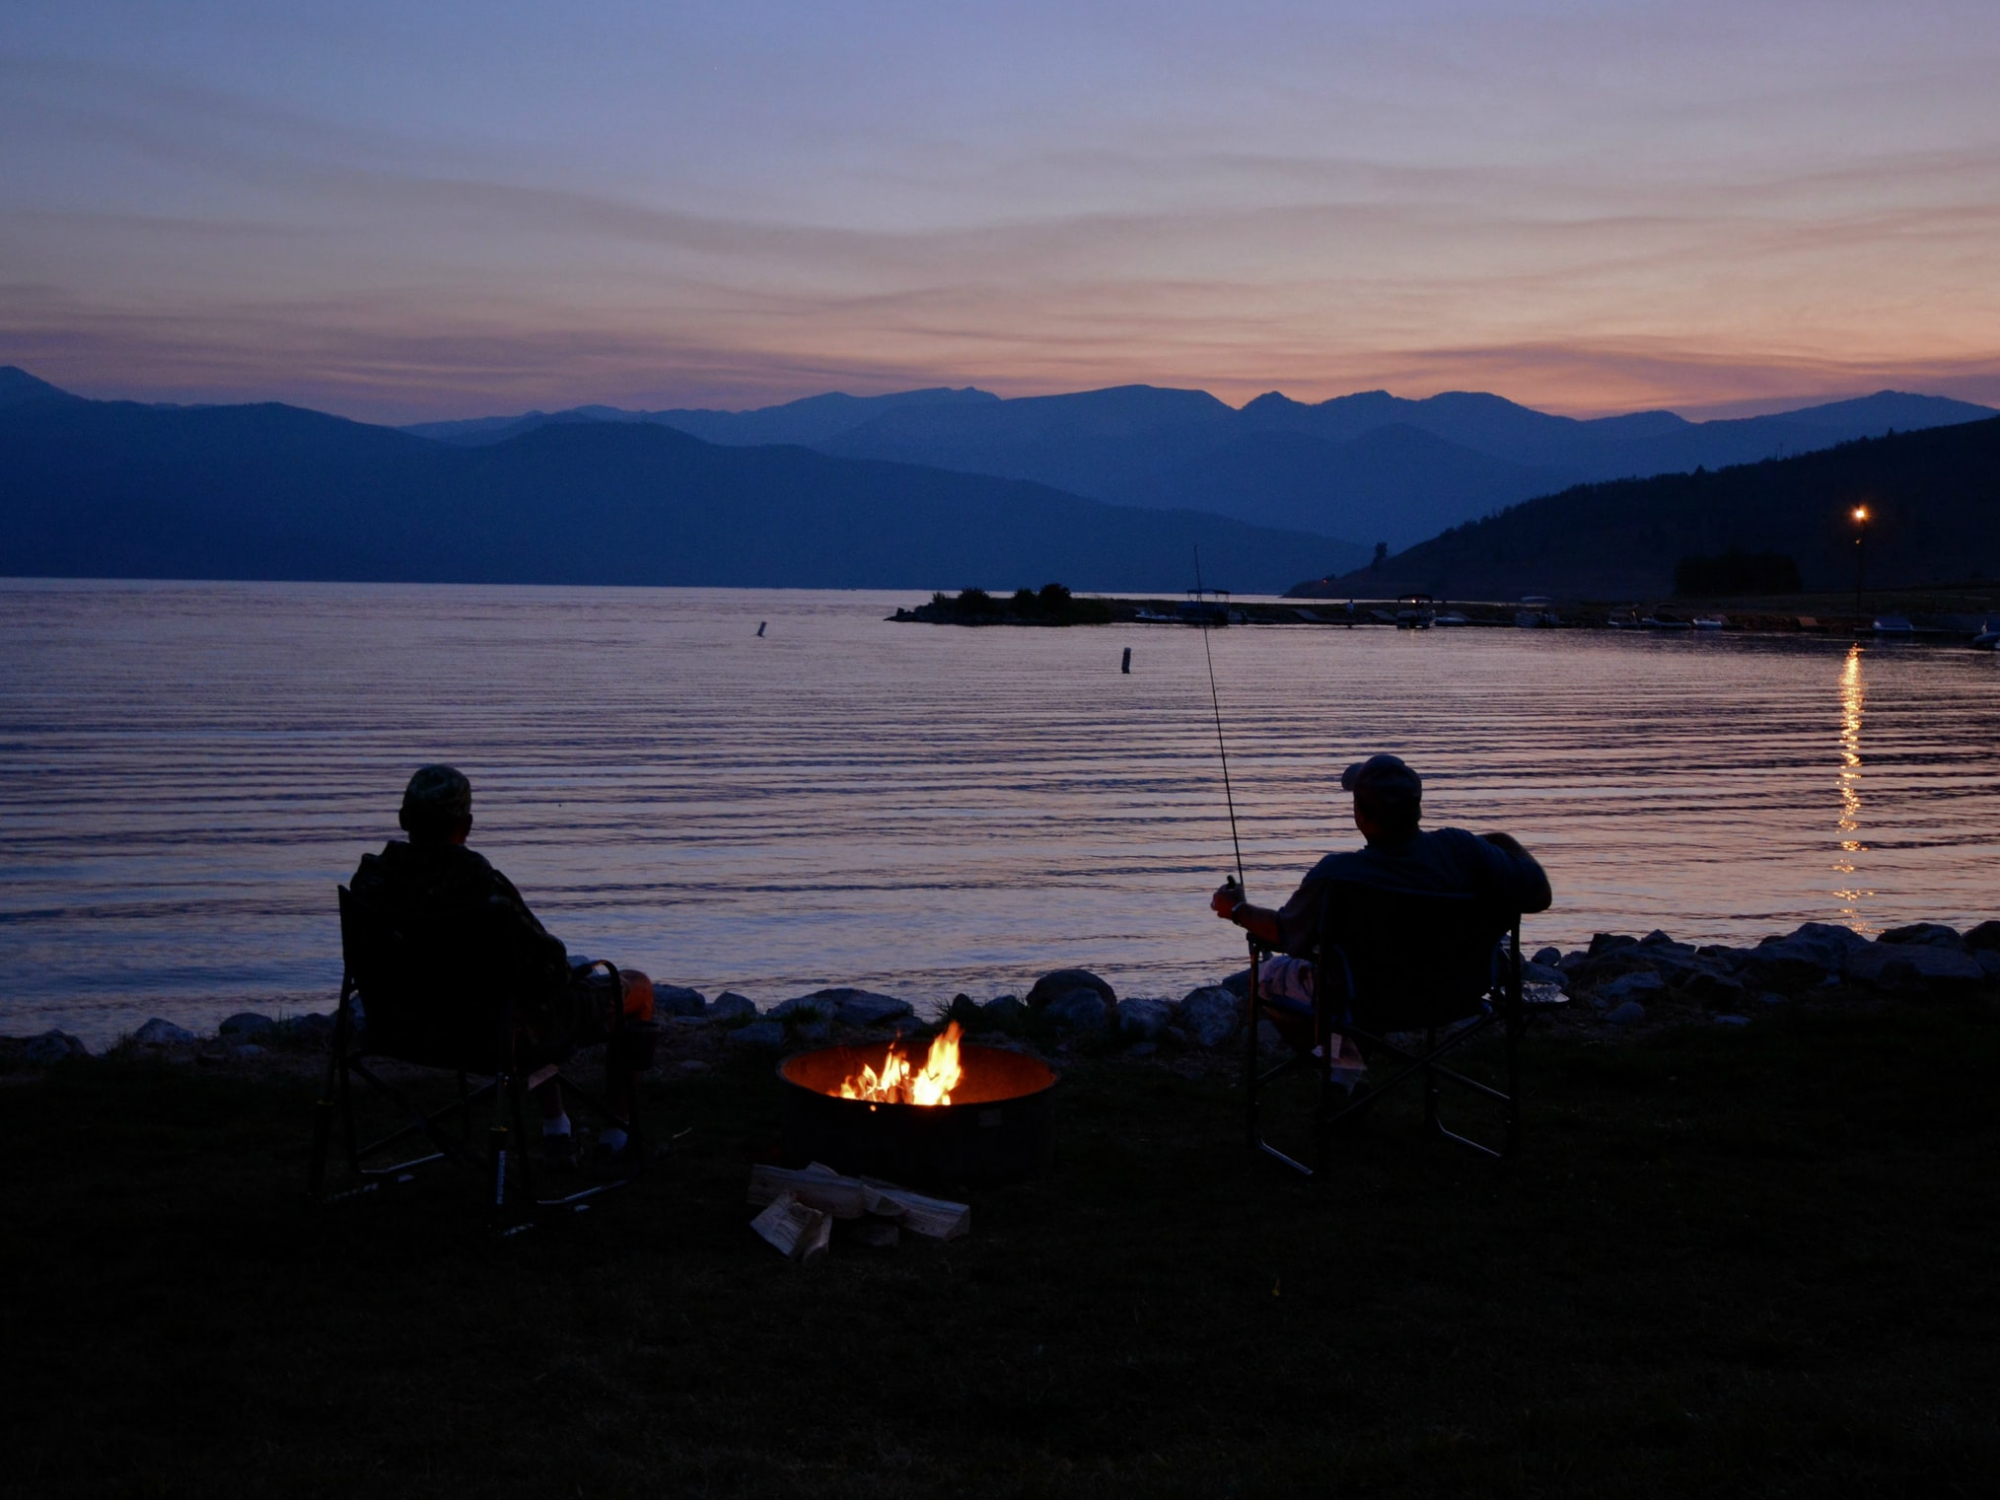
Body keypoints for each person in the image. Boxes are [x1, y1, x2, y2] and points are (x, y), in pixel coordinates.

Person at [349, 765, 657, 1166]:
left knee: (519, 993)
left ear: (404, 820)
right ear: (468, 824)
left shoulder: (369, 885)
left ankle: (558, 1131)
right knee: (638, 987)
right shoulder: (481, 889)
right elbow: (547, 967)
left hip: (399, 1028)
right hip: (491, 1037)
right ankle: (617, 1138)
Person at [1210, 753, 1551, 1046]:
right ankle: (1353, 1071)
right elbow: (1538, 893)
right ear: (1417, 807)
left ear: (1360, 813)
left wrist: (1237, 909)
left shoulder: (1338, 875)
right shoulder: (1464, 849)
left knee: (1268, 977)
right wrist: (1500, 841)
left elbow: (1285, 934)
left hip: (1367, 1002)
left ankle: (1344, 1078)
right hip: (1459, 995)